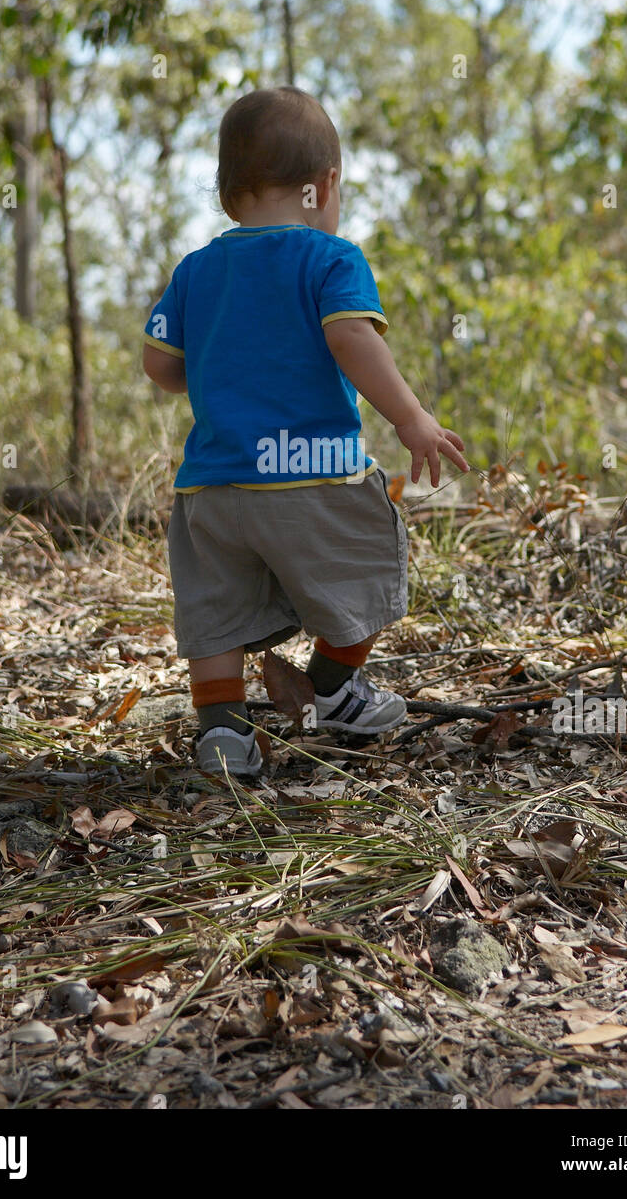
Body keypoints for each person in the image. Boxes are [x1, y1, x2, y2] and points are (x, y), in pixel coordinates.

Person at [143, 86, 468, 776]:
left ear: (229, 195)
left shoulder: (197, 271)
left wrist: (211, 365)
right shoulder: (332, 260)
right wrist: (412, 419)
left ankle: (223, 733)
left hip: (213, 488)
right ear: (325, 187)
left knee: (216, 609)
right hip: (313, 472)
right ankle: (332, 686)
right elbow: (351, 337)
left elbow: (159, 363)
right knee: (373, 562)